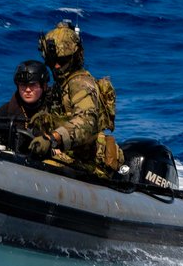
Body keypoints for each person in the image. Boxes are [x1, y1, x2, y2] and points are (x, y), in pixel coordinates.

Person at [27, 21, 118, 175]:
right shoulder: (58, 87)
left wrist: (52, 139)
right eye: (51, 61)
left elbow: (86, 122)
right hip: (65, 157)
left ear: (75, 57)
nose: (56, 66)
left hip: (89, 164)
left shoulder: (80, 83)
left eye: (62, 61)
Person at [0, 60, 49, 147]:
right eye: (23, 85)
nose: (28, 90)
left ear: (44, 86)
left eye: (32, 85)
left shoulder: (55, 110)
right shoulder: (5, 111)